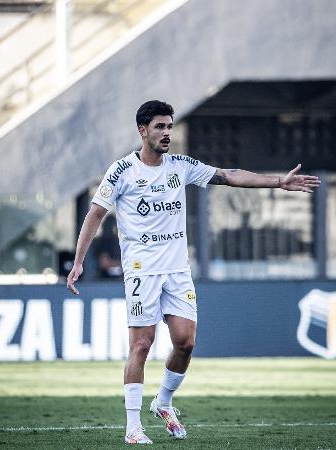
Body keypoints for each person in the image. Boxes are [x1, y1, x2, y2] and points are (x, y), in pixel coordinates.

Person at [67, 100, 321, 444]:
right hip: (143, 271)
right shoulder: (122, 171)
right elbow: (95, 214)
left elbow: (229, 175)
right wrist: (80, 260)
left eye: (170, 126)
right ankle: (132, 427)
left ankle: (163, 402)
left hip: (176, 270)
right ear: (143, 131)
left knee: (185, 343)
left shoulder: (181, 166)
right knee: (141, 345)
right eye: (160, 127)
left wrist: (278, 181)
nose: (167, 133)